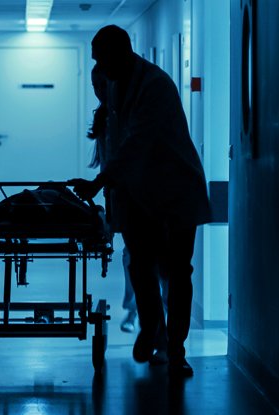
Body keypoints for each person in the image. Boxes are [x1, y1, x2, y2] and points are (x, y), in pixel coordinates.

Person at [74, 25, 212, 377]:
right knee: (140, 265)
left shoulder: (155, 85)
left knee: (179, 272)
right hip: (139, 193)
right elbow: (118, 146)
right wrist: (109, 195)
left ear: (122, 52)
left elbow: (138, 142)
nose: (100, 69)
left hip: (176, 190)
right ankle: (152, 327)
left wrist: (100, 182)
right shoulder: (117, 84)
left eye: (102, 60)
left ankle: (176, 350)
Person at [86, 64, 170, 363]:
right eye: (95, 87)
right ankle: (152, 328)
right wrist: (110, 216)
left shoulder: (136, 110)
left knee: (161, 269)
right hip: (127, 201)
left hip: (155, 200)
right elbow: (109, 166)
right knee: (138, 264)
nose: (100, 92)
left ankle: (163, 338)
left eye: (102, 86)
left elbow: (125, 159)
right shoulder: (106, 118)